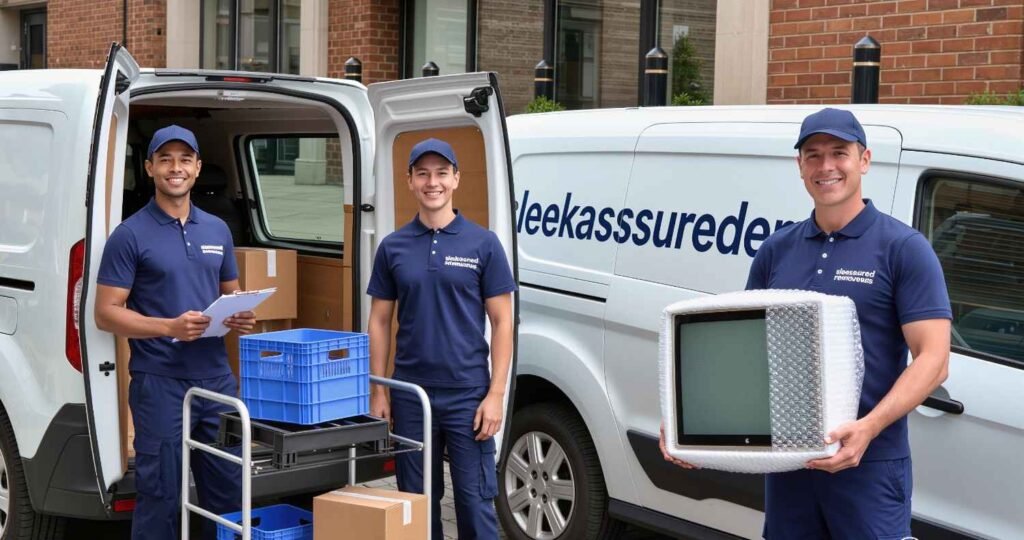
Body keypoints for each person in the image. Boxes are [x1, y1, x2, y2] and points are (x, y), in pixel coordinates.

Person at [660, 108, 952, 538]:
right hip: (788, 463)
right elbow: (744, 353)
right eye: (813, 155)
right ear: (799, 166)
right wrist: (688, 426)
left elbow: (934, 358)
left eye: (840, 153)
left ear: (864, 160)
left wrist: (868, 428)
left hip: (868, 463)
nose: (826, 166)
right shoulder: (777, 250)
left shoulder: (903, 248)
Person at [95, 125, 256, 540]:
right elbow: (105, 314)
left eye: (185, 159)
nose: (175, 168)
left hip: (216, 381)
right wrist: (168, 327)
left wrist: (239, 315)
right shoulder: (129, 235)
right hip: (160, 383)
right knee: (162, 494)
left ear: (198, 168)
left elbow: (229, 294)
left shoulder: (217, 230)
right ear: (149, 168)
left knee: (228, 493)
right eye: (165, 159)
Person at [367, 138, 516, 540]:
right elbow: (379, 321)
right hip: (411, 394)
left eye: (441, 173)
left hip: (468, 394)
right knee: (416, 504)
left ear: (455, 179)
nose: (433, 182)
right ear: (411, 181)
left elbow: (503, 323)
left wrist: (496, 393)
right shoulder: (392, 247)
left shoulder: (483, 244)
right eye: (423, 174)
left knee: (474, 501)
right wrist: (379, 391)